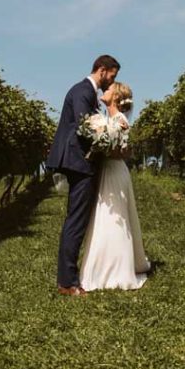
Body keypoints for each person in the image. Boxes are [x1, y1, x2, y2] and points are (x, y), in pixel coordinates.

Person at [45, 54, 120, 296]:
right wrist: (108, 138)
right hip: (79, 162)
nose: (112, 81)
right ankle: (67, 283)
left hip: (81, 162)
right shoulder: (82, 91)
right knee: (75, 221)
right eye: (112, 75)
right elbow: (85, 125)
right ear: (102, 69)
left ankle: (70, 278)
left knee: (77, 219)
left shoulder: (86, 92)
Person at [79, 82, 151, 291]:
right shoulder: (108, 119)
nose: (104, 91)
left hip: (115, 172)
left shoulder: (119, 121)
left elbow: (123, 152)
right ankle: (100, 267)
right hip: (107, 171)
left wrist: (101, 147)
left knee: (114, 218)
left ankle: (115, 270)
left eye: (108, 90)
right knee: (102, 216)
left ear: (116, 97)